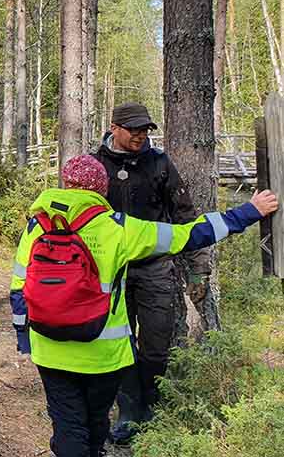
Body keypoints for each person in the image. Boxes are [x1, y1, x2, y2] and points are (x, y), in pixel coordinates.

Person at [9, 154, 277, 457]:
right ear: (101, 190)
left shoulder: (37, 226)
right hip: (103, 355)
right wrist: (248, 212)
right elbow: (187, 235)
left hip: (49, 349)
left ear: (66, 184)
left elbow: (18, 289)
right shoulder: (119, 229)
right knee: (96, 423)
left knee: (67, 424)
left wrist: (24, 340)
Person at [91, 102, 205, 443]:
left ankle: (151, 405)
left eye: (145, 129)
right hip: (113, 270)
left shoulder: (160, 164)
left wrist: (199, 270)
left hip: (156, 268)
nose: (142, 134)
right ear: (114, 128)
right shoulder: (96, 166)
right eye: (134, 129)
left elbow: (185, 216)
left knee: (156, 344)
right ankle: (128, 411)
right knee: (120, 343)